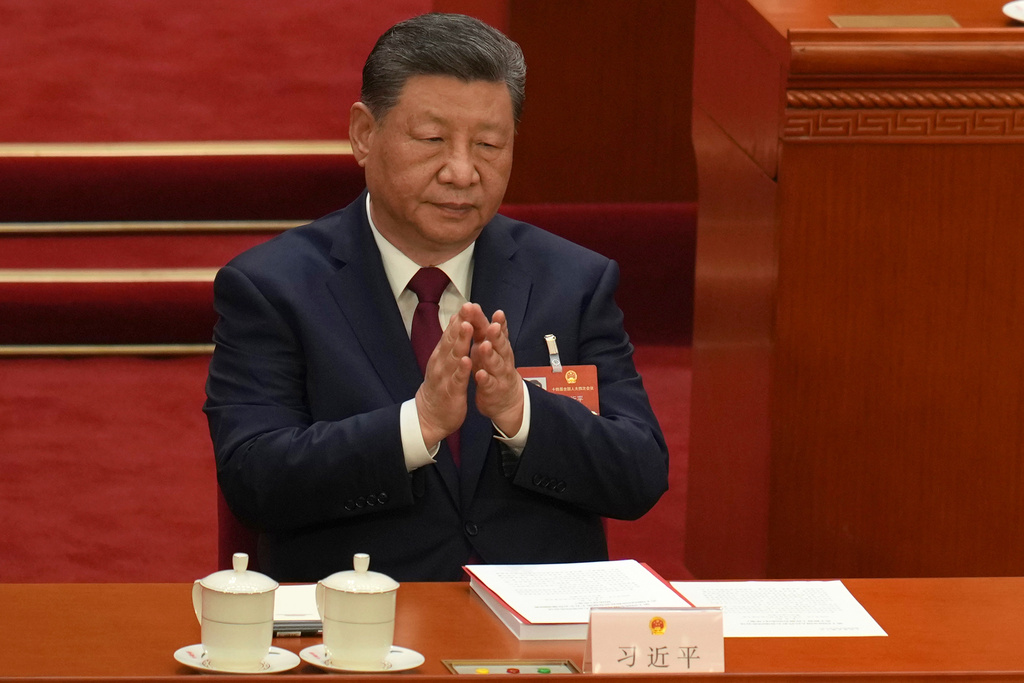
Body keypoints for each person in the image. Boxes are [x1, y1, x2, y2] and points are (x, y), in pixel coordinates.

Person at [204, 12, 668, 582]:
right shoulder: (273, 287)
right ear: (363, 134)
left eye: (489, 145)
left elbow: (641, 473)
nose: (462, 171)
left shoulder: (573, 281)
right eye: (432, 140)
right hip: (357, 628)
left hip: (536, 636)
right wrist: (416, 425)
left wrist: (521, 413)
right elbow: (255, 479)